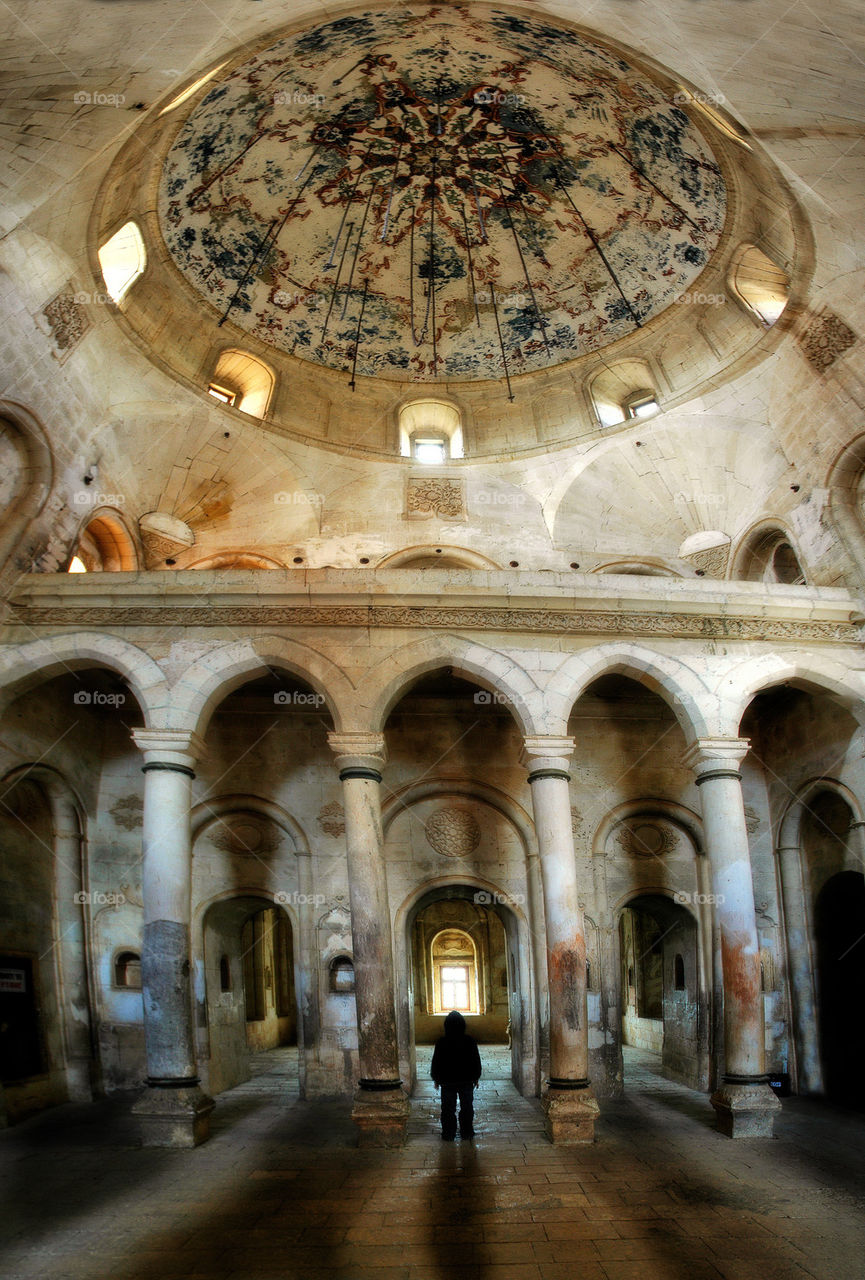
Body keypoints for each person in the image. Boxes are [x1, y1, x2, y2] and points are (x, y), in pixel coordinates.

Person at [430, 1010, 482, 1140]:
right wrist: (476, 1077)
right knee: (467, 1107)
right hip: (466, 1080)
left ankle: (448, 1133)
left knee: (447, 1108)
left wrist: (436, 1079)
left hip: (447, 1081)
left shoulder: (441, 1042)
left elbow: (436, 1062)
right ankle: (467, 1132)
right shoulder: (469, 1041)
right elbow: (476, 1061)